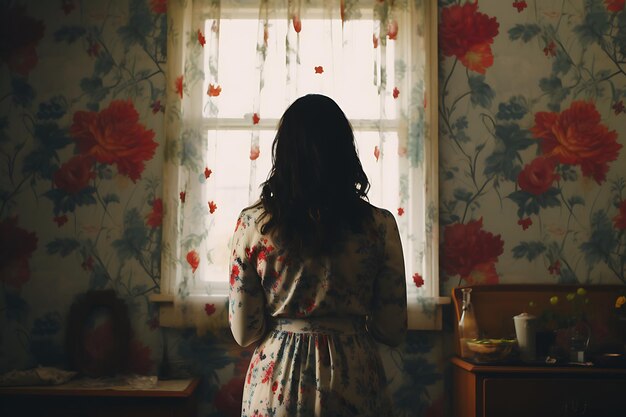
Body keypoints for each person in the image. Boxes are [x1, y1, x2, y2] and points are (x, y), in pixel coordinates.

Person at [228, 94, 407, 417]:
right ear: (345, 152)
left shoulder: (254, 224)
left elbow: (245, 332)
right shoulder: (379, 226)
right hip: (353, 376)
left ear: (284, 153)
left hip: (278, 380)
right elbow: (391, 328)